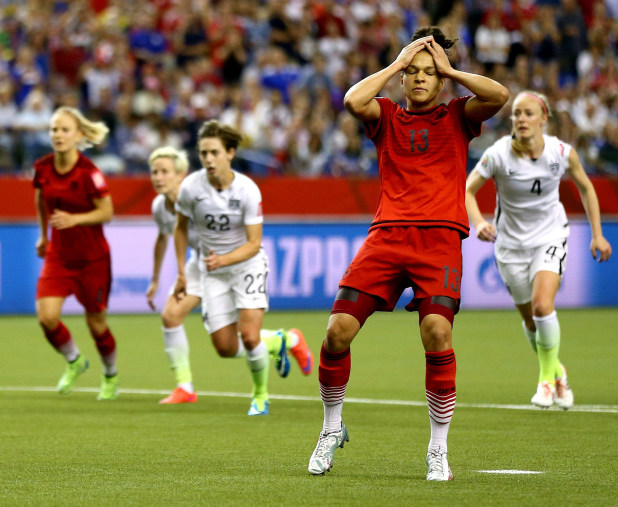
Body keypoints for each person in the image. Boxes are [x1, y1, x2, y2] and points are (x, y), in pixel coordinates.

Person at [307, 27, 509, 481]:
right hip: (387, 236)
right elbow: (352, 101)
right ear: (401, 80)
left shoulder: (459, 115)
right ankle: (330, 428)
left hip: (438, 240)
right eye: (412, 73)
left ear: (440, 83)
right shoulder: (385, 116)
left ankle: (438, 449)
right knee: (336, 332)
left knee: (437, 333)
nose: (419, 79)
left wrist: (451, 69)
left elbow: (500, 95)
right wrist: (398, 62)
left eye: (427, 73)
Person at [465, 90, 612, 410]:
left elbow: (586, 187)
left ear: (544, 119)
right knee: (532, 321)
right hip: (509, 247)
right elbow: (468, 190)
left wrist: (597, 235)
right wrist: (478, 223)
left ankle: (545, 381)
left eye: (528, 113)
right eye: (516, 114)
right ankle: (557, 371)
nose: (521, 119)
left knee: (543, 307)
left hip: (550, 237)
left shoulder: (561, 152)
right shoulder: (499, 154)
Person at [146, 146, 313, 404]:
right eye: (154, 172)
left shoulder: (200, 196)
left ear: (181, 175)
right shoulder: (159, 206)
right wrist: (156, 279)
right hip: (201, 264)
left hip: (233, 266)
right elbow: (162, 238)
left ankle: (285, 340)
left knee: (236, 341)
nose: (158, 177)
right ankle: (185, 387)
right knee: (171, 316)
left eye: (164, 172)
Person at [33, 106, 119, 400]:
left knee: (96, 324)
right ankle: (75, 361)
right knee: (47, 317)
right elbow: (40, 198)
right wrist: (44, 236)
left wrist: (75, 219)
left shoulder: (89, 173)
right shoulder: (42, 167)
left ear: (78, 135)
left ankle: (110, 375)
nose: (58, 135)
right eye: (54, 129)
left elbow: (107, 212)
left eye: (64, 129)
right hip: (59, 256)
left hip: (92, 259)